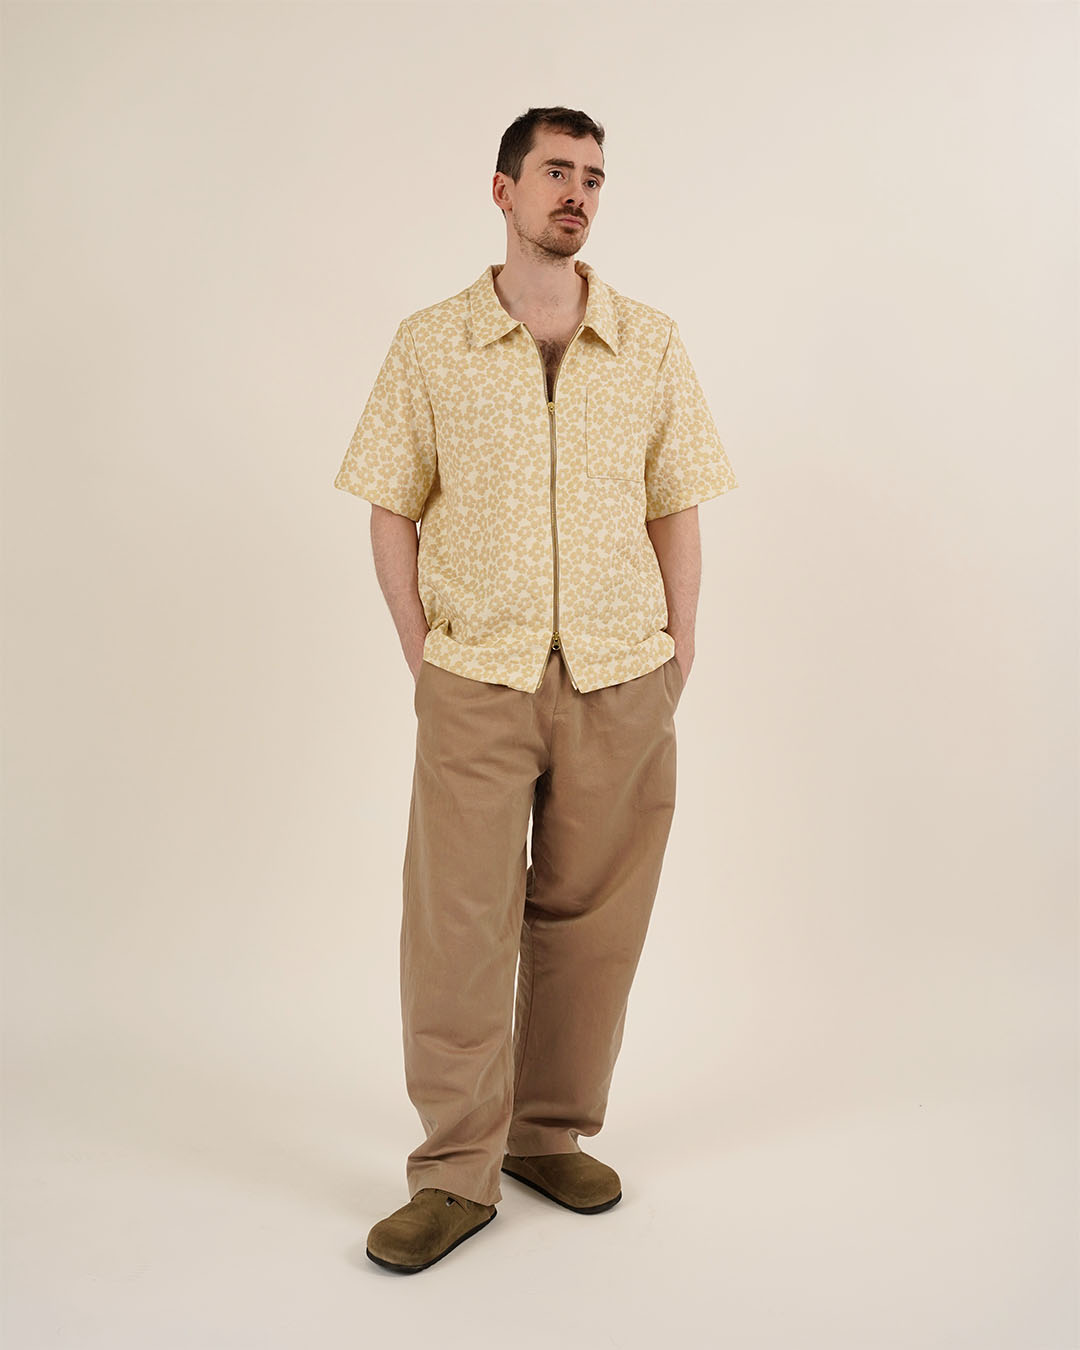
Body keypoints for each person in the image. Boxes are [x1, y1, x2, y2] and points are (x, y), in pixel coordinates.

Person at [333, 105, 739, 1274]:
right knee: (457, 925)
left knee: (592, 920)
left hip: (624, 675)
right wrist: (427, 659)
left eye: (594, 177)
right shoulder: (430, 343)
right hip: (475, 674)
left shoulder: (651, 343)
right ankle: (456, 1171)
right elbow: (390, 509)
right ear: (502, 190)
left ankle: (546, 1131)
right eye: (556, 172)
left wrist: (680, 650)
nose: (578, 193)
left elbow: (678, 506)